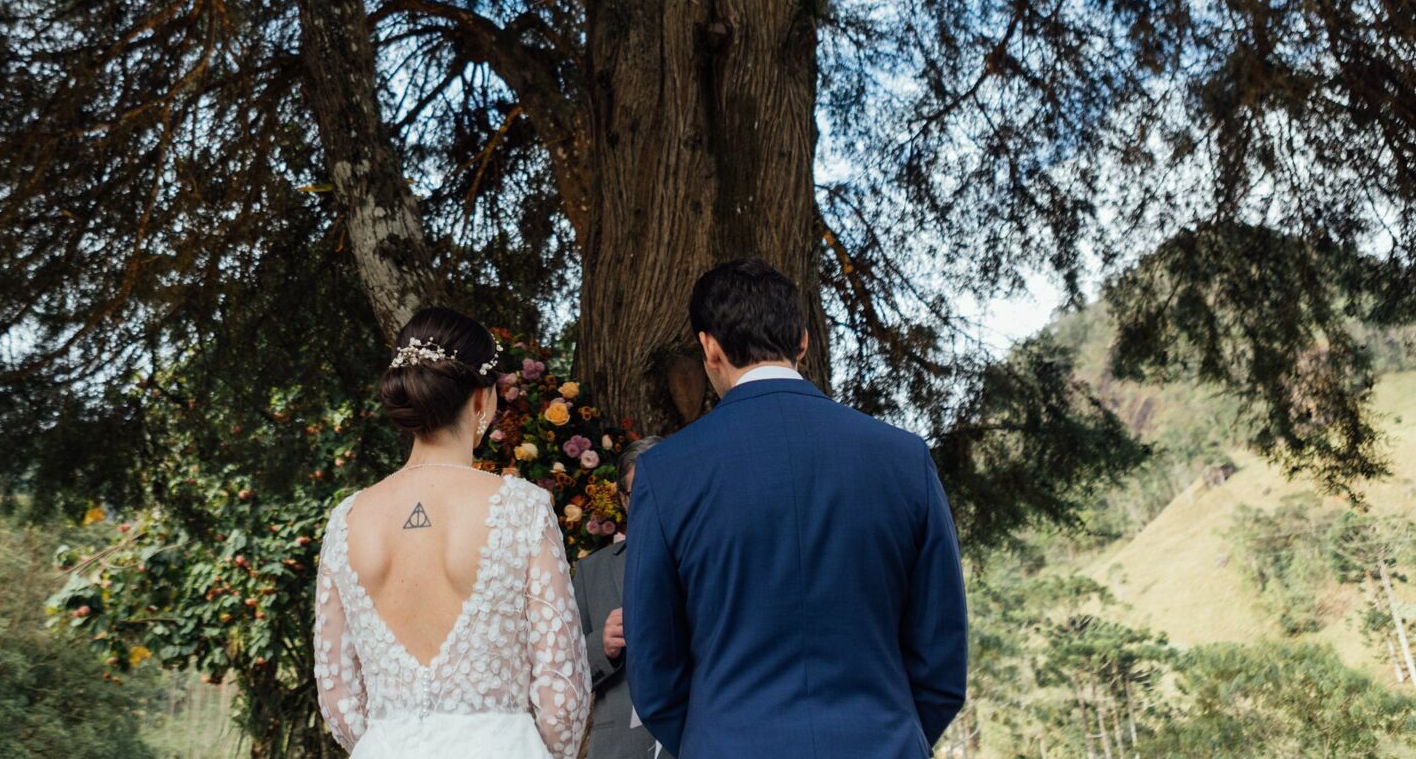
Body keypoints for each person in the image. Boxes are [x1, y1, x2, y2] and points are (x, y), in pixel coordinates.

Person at [623, 259, 968, 759]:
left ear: (709, 349)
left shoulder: (666, 474)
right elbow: (941, 655)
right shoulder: (902, 457)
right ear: (803, 341)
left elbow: (654, 670)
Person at [313, 306, 591, 758]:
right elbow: (563, 694)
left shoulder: (347, 519)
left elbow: (338, 698)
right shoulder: (522, 508)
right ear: (482, 399)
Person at [571, 436, 672, 759]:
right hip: (618, 748)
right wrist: (603, 645)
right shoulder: (591, 572)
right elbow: (564, 669)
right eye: (640, 491)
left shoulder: (711, 560)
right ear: (624, 499)